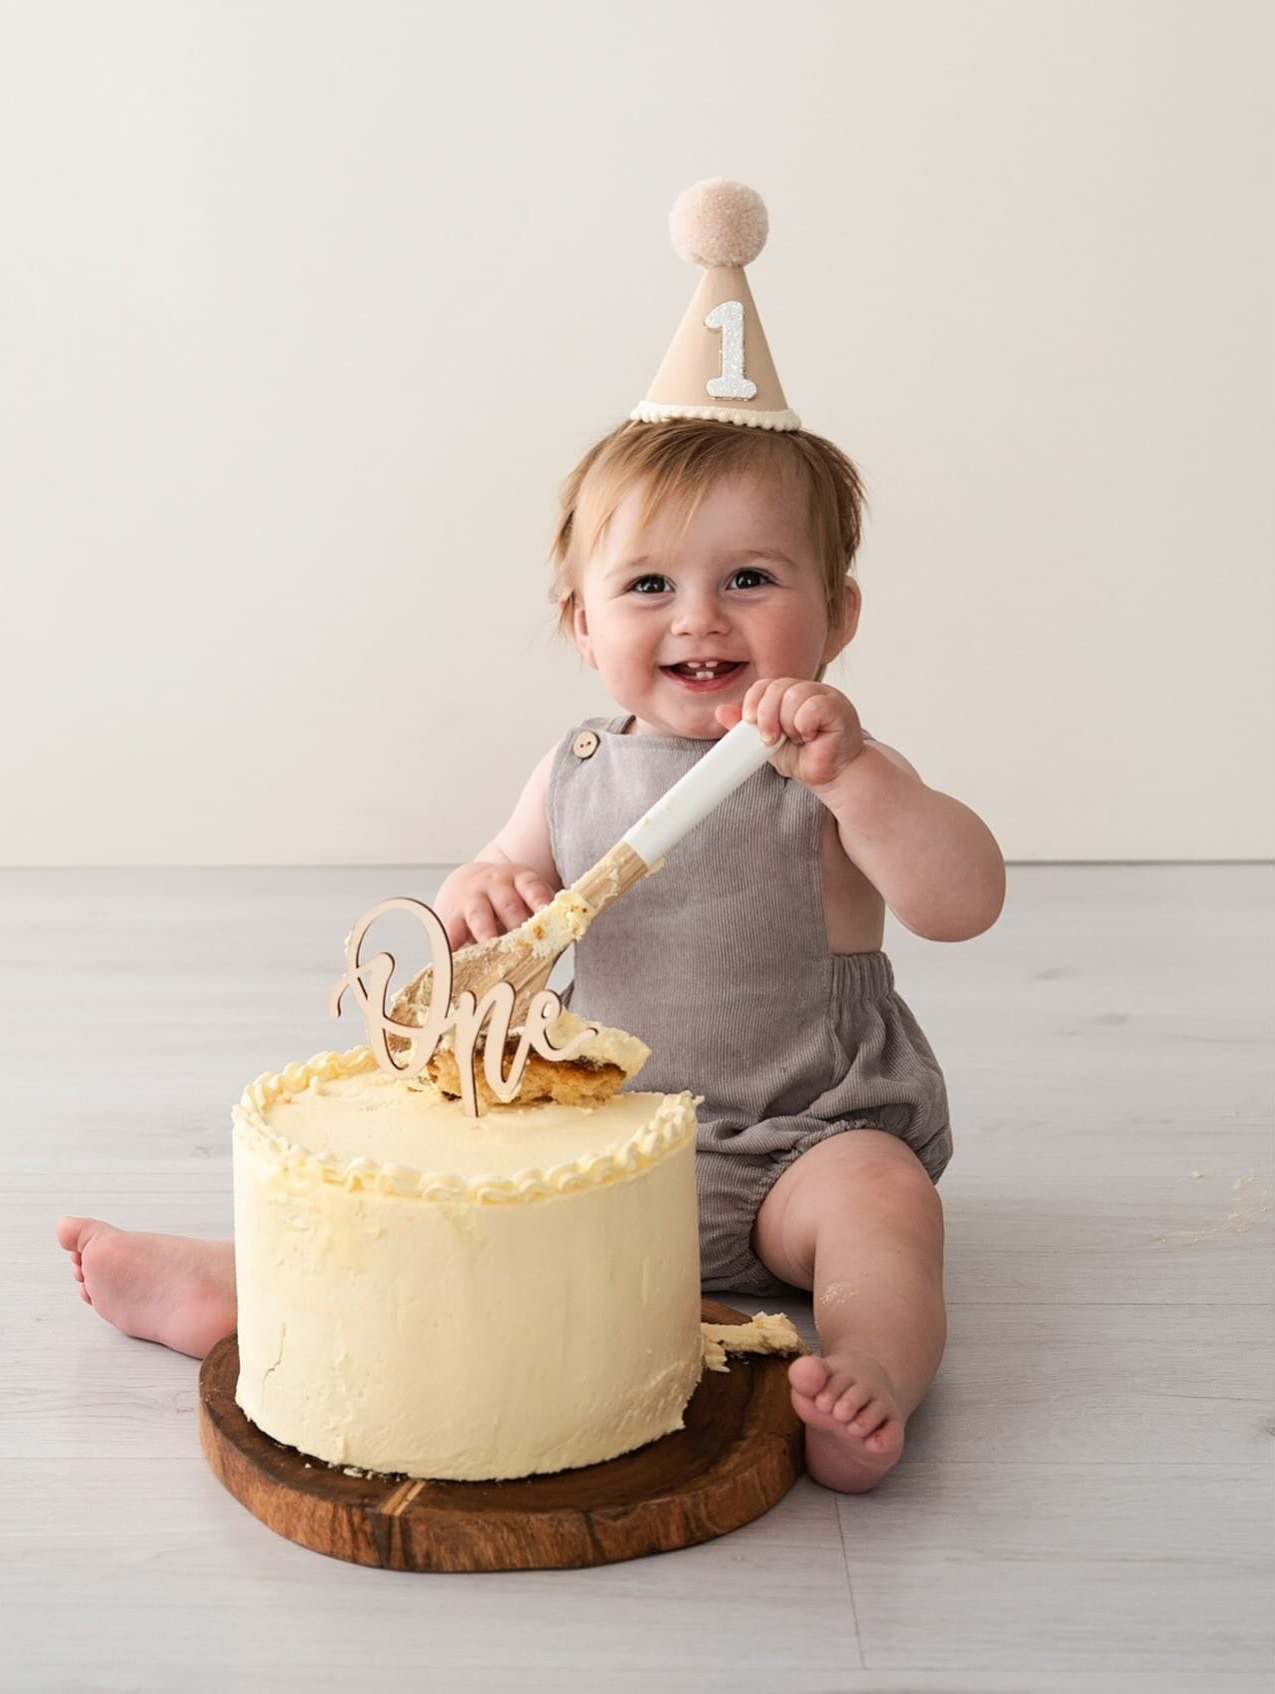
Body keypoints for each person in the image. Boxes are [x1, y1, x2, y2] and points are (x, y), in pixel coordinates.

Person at [58, 181, 1005, 1495]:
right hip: (603, 1138)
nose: (700, 617)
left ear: (836, 615)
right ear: (582, 624)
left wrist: (865, 783)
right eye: (648, 585)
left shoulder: (828, 772)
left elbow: (963, 899)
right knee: (442, 1208)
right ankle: (248, 1290)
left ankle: (869, 1373)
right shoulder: (572, 775)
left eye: (750, 577)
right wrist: (481, 889)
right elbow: (490, 913)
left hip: (807, 1135)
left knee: (886, 1210)